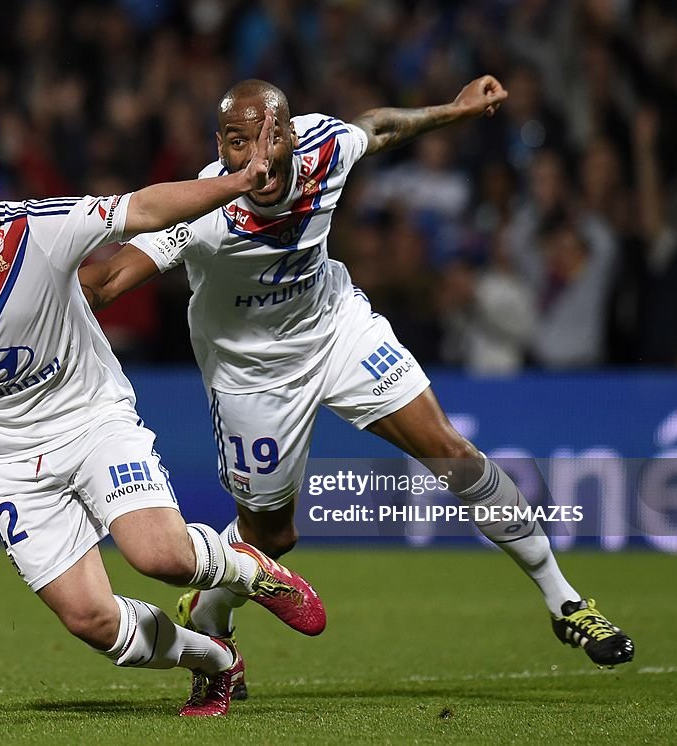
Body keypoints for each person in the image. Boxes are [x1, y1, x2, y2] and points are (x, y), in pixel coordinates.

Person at [80, 77, 634, 696]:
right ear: (220, 146)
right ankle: (212, 617)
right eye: (238, 143)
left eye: (268, 136)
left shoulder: (323, 150)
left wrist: (455, 109)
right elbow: (106, 282)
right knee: (271, 537)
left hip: (337, 331)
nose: (255, 156)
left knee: (450, 453)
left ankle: (565, 603)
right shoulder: (200, 212)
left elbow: (378, 126)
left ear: (291, 134)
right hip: (252, 377)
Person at [0, 118, 327, 718]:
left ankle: (253, 571)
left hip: (93, 419)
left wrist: (237, 182)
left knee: (160, 557)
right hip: (7, 458)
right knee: (92, 620)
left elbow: (142, 208)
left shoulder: (38, 229)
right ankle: (215, 662)